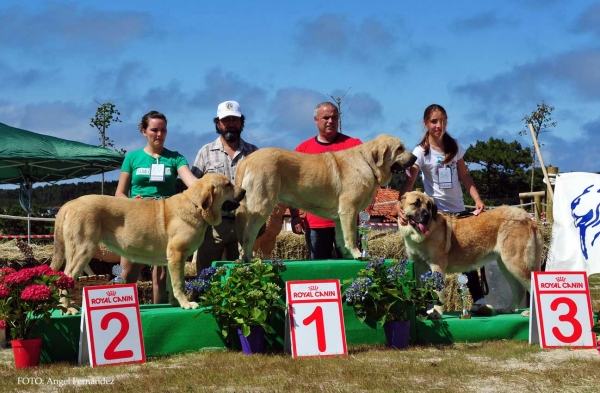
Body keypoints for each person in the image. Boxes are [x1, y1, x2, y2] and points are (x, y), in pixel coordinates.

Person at [395, 104, 492, 316]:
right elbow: (410, 180)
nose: (439, 126)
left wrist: (476, 198)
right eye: (434, 122)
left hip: (459, 210)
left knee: (468, 254)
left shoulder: (454, 146)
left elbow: (465, 175)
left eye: (443, 121)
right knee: (433, 261)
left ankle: (478, 301)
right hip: (435, 214)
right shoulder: (420, 152)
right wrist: (399, 203)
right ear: (426, 124)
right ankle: (430, 304)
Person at [116, 110, 198, 304]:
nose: (159, 134)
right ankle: (120, 311)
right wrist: (130, 203)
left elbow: (193, 183)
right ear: (144, 131)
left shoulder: (176, 158)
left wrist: (214, 185)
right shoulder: (132, 158)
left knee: (161, 278)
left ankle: (160, 324)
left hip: (165, 222)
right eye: (154, 130)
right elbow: (119, 193)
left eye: (163, 130)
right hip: (138, 221)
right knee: (125, 274)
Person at [191, 100, 258, 273]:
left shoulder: (254, 153)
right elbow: (194, 189)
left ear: (242, 122)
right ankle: (202, 299)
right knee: (206, 274)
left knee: (243, 274)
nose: (230, 124)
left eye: (235, 120)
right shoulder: (205, 152)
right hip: (213, 226)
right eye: (226, 120)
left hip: (244, 224)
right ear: (218, 123)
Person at [289, 102, 362, 259]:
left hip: (347, 223)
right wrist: (295, 215)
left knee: (352, 269)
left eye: (334, 117)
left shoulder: (354, 145)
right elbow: (292, 185)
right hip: (316, 224)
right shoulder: (302, 150)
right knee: (319, 272)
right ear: (316, 120)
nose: (331, 121)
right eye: (326, 117)